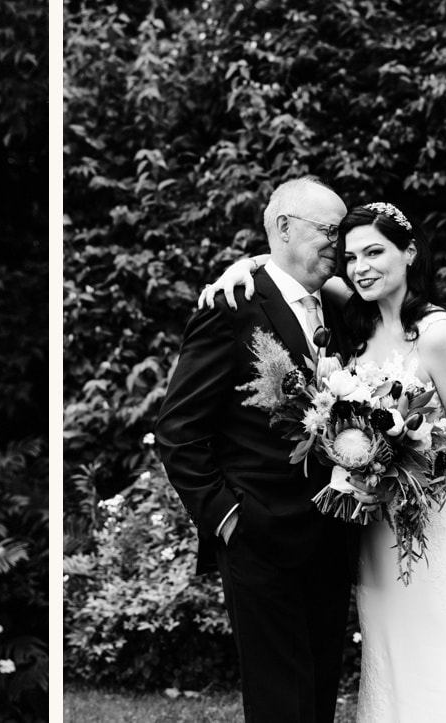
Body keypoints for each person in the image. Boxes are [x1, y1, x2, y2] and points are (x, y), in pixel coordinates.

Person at [199, 200, 446, 721]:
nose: (360, 267)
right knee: (390, 656)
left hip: (437, 518)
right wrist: (240, 267)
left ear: (410, 253)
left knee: (441, 657)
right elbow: (278, 265)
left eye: (375, 252)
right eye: (351, 254)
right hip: (376, 527)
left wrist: (404, 472)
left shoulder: (438, 332)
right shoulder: (348, 312)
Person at [153, 176, 357, 723]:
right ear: (285, 228)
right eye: (329, 231)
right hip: (259, 538)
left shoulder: (337, 309)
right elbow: (177, 430)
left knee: (316, 695)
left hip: (332, 535)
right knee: (278, 703)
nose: (338, 244)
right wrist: (227, 519)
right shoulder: (232, 306)